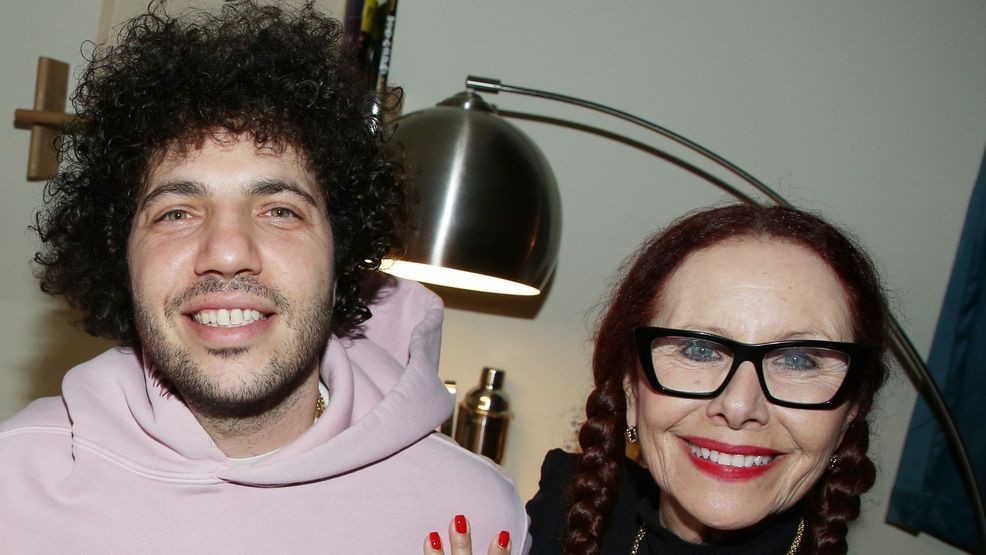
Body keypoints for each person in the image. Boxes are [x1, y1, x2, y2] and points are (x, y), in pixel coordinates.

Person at [0, 2, 528, 552]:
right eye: (176, 213)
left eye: (280, 210)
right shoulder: (11, 486)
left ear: (341, 254)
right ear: (121, 257)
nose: (227, 253)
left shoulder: (468, 514)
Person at [526, 204, 891, 554]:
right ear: (631, 389)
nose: (738, 405)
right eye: (698, 351)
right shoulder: (552, 517)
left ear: (849, 414)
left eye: (798, 360)